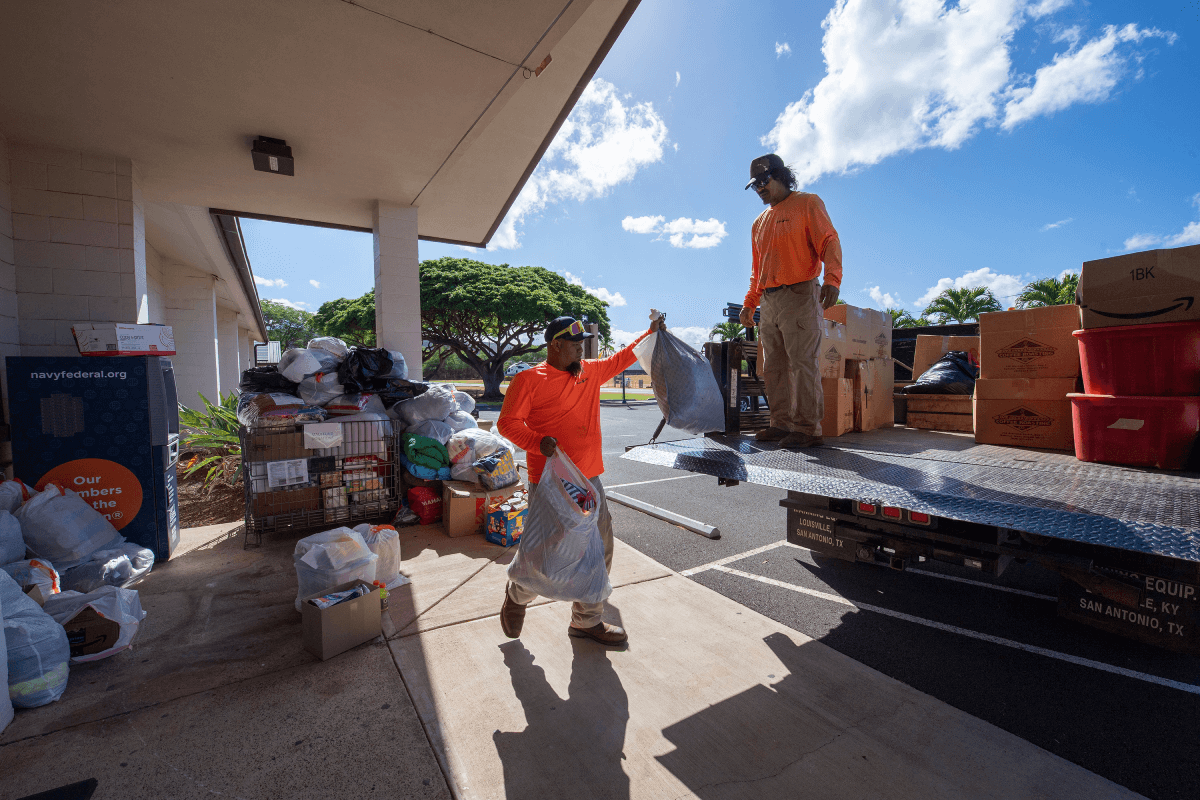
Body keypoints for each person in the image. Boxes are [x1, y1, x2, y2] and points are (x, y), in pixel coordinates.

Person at [497, 313, 663, 646]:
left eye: (582, 345)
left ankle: (586, 621)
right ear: (555, 345)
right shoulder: (529, 380)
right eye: (574, 345)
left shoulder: (589, 371)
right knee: (549, 551)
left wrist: (651, 332)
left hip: (587, 480)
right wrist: (536, 442)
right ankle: (517, 595)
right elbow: (507, 424)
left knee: (600, 546)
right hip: (550, 481)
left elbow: (623, 358)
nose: (580, 351)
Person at [739, 153, 842, 448]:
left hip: (800, 294)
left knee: (802, 362)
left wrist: (832, 278)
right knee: (773, 366)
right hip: (769, 302)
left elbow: (829, 240)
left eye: (763, 181)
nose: (759, 188)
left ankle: (808, 428)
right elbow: (757, 269)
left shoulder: (808, 203)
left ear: (782, 176)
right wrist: (750, 302)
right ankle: (780, 424)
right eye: (754, 185)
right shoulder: (758, 223)